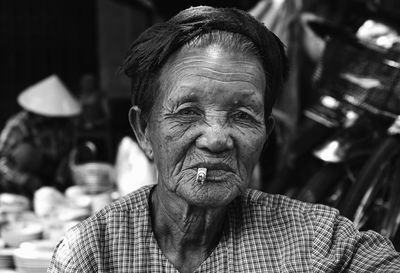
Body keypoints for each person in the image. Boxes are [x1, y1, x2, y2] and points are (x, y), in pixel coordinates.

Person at [48, 6, 400, 272]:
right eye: (187, 112)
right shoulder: (93, 253)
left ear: (265, 135)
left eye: (243, 116)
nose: (217, 139)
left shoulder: (317, 242)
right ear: (144, 131)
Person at [0, 75, 81, 198]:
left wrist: (60, 180)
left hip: (51, 173)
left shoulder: (66, 125)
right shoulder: (19, 124)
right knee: (27, 153)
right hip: (21, 175)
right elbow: (2, 159)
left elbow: (68, 155)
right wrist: (24, 179)